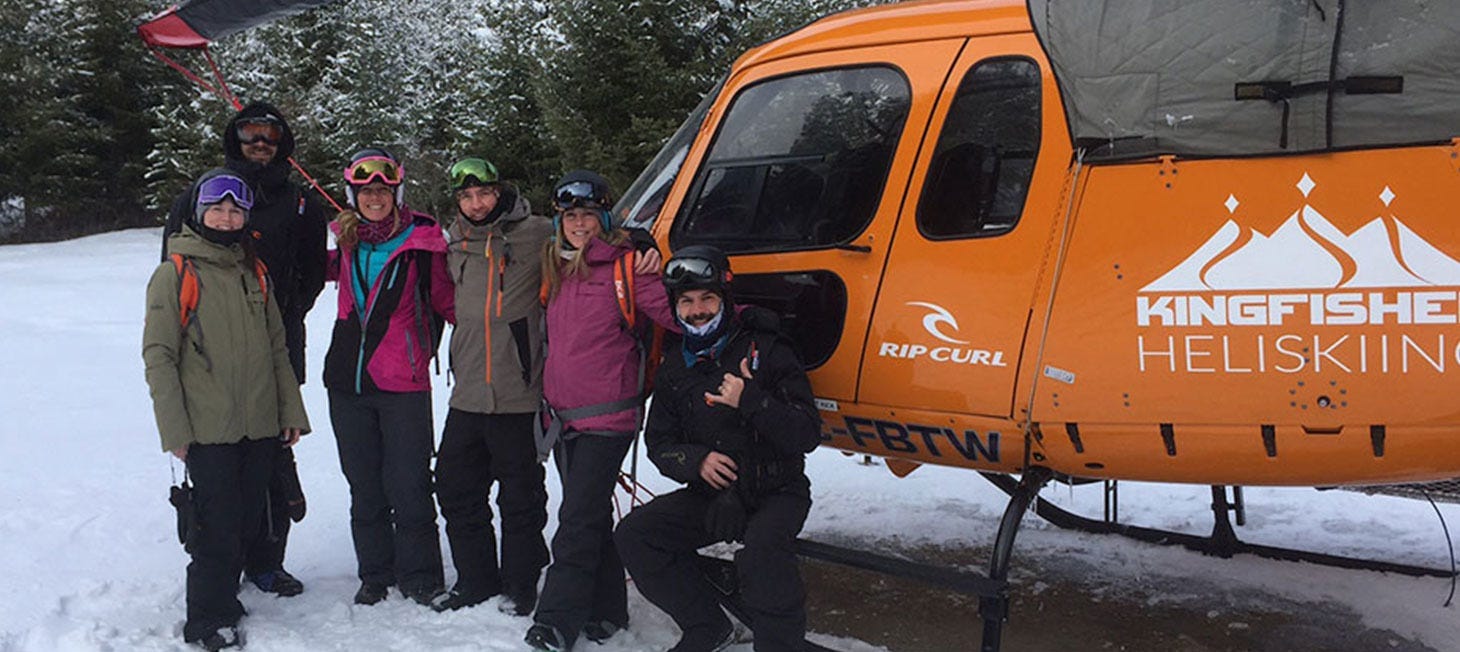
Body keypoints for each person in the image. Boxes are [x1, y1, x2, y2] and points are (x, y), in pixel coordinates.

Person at [615, 245, 822, 652]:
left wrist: (753, 400)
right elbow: (659, 443)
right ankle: (706, 625)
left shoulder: (768, 349)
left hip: (777, 492)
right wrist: (697, 462)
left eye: (707, 299)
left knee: (762, 553)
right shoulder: (677, 364)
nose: (697, 311)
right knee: (637, 535)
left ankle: (779, 645)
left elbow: (806, 434)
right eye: (687, 302)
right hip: (715, 495)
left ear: (724, 298)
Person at [160, 102, 327, 598]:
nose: (259, 142)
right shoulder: (201, 193)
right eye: (249, 133)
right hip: (208, 356)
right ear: (235, 139)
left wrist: (276, 314)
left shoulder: (299, 203)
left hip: (276, 346)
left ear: (282, 142)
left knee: (272, 455)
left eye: (268, 134)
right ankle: (217, 564)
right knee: (217, 466)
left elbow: (314, 273)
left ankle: (266, 561)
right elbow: (175, 265)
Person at [143, 169, 310, 650]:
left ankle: (229, 596)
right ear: (199, 212)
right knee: (215, 526)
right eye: (217, 207)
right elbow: (159, 354)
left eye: (236, 209)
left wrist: (289, 412)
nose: (226, 215)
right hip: (207, 427)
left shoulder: (252, 271)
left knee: (247, 518)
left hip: (258, 423)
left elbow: (277, 348)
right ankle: (207, 619)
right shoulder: (175, 273)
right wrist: (174, 428)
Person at [524, 171, 678, 651]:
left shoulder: (630, 267)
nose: (579, 224)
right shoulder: (558, 268)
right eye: (570, 216)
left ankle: (555, 622)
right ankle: (607, 612)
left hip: (608, 419)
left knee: (575, 522)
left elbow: (680, 316)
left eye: (589, 215)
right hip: (563, 419)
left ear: (604, 218)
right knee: (589, 517)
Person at [322, 148, 454, 606]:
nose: (374, 198)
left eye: (382, 190)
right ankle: (375, 573)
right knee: (364, 483)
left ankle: (420, 576)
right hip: (346, 381)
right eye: (365, 191)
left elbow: (450, 303)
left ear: (395, 193)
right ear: (353, 196)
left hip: (403, 381)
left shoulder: (423, 243)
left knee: (410, 482)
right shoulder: (347, 240)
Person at [432, 157, 553, 614]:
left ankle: (521, 583)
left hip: (518, 391)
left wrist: (636, 243)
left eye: (483, 193)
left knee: (521, 497)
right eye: (466, 196)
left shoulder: (537, 233)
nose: (477, 203)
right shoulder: (455, 242)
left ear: (499, 191)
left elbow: (593, 235)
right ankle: (475, 579)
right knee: (455, 487)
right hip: (467, 394)